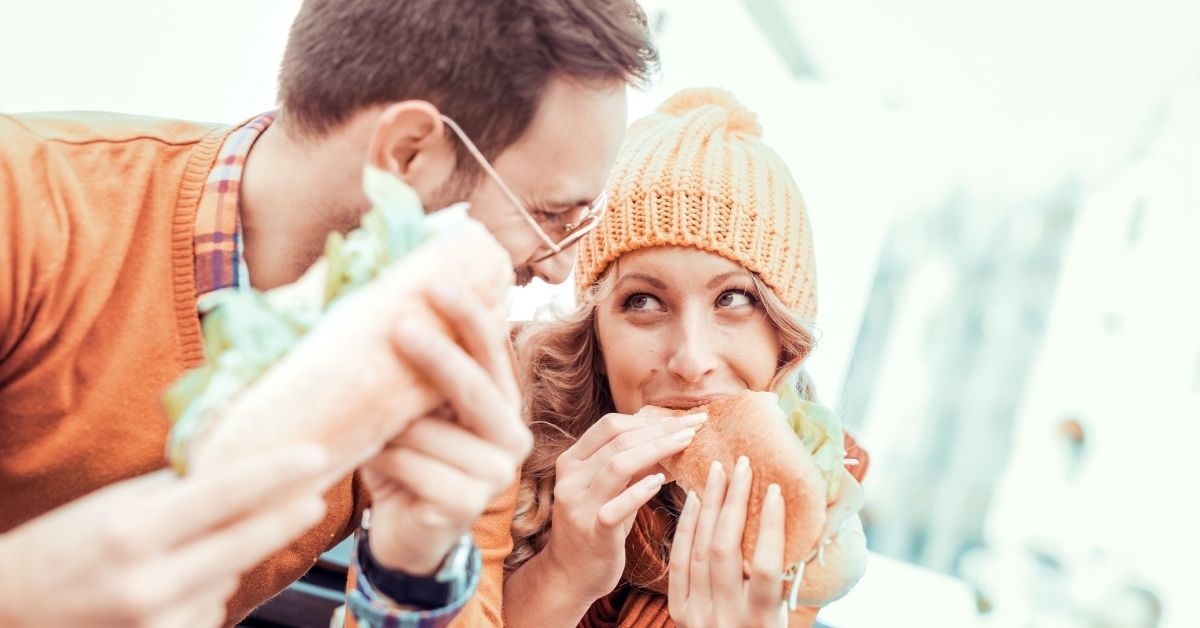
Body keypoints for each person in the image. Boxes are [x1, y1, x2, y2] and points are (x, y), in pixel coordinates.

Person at [0, 1, 656, 626]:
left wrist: (412, 573)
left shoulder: (463, 387)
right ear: (407, 153)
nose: (557, 268)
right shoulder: (27, 205)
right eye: (549, 215)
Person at [499, 88, 871, 627]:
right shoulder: (496, 432)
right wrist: (561, 574)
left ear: (784, 340)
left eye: (733, 299)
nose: (691, 360)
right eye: (643, 302)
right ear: (597, 340)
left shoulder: (810, 506)